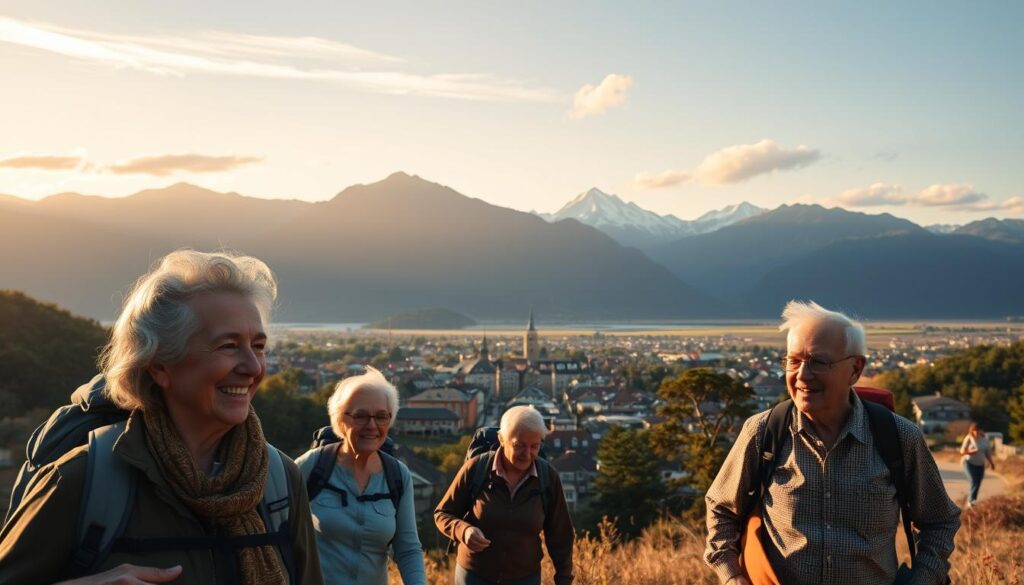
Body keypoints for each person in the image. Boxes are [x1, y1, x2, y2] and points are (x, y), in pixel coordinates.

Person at [0, 250, 323, 585]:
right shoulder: (81, 480)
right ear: (159, 366)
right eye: (228, 346)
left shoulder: (278, 481)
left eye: (258, 346)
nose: (253, 368)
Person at [704, 301, 961, 585]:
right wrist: (732, 576)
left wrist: (922, 579)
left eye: (818, 362)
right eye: (794, 360)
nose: (802, 375)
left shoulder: (899, 437)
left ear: (855, 369)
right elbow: (721, 508)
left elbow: (940, 520)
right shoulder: (763, 432)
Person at [295, 368, 426, 585]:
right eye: (361, 416)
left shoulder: (398, 475)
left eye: (381, 416)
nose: (372, 425)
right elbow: (278, 533)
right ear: (340, 420)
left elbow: (408, 548)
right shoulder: (312, 466)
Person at [434, 406, 574, 585]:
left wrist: (564, 580)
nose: (527, 454)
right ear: (502, 439)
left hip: (524, 578)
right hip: (474, 576)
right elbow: (442, 514)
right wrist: (463, 530)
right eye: (519, 445)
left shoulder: (547, 478)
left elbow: (561, 536)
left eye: (535, 446)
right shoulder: (477, 468)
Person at [960, 422, 995, 507]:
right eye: (974, 431)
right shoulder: (968, 438)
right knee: (974, 480)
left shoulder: (984, 440)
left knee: (978, 482)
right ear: (971, 431)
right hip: (969, 463)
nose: (975, 432)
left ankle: (973, 501)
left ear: (981, 431)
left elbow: (987, 453)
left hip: (980, 465)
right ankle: (970, 501)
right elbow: (961, 452)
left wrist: (991, 463)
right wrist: (970, 452)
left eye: (977, 431)